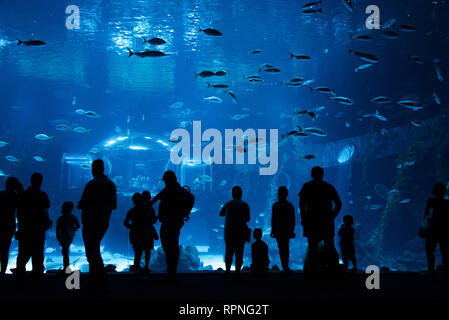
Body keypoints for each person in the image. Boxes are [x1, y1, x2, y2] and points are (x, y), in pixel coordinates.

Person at [77, 159, 117, 287]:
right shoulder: (111, 184)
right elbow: (114, 205)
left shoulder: (92, 184)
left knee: (91, 251)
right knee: (95, 249)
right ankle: (98, 277)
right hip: (104, 222)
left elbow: (81, 203)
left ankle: (96, 278)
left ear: (94, 169)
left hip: (90, 222)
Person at [299, 166, 342, 272]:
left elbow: (301, 204)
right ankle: (333, 269)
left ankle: (312, 270)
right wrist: (332, 216)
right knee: (330, 246)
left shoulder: (307, 186)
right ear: (322, 174)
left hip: (311, 222)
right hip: (326, 222)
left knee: (312, 247)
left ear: (312, 174)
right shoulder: (328, 187)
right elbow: (339, 203)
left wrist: (304, 218)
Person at [149, 171, 186, 280]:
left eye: (165, 180)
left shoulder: (171, 189)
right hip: (175, 221)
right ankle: (172, 271)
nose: (164, 182)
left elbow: (156, 199)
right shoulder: (178, 189)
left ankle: (171, 272)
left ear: (168, 179)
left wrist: (146, 206)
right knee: (172, 245)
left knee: (169, 246)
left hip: (170, 222)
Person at [16, 173, 51, 280]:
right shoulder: (42, 195)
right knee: (38, 253)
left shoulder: (24, 195)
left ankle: (20, 274)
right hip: (39, 229)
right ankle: (36, 274)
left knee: (23, 253)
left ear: (31, 180)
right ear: (41, 182)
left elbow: (20, 212)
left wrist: (19, 227)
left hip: (26, 227)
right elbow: (46, 207)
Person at [219, 186, 250, 276]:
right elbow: (248, 219)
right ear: (241, 194)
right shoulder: (245, 205)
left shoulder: (228, 204)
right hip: (241, 231)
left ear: (232, 194)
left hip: (229, 231)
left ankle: (228, 271)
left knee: (229, 251)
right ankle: (237, 272)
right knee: (239, 252)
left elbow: (221, 214)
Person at [124, 192, 157, 275]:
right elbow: (154, 221)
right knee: (147, 251)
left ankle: (137, 270)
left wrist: (132, 227)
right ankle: (146, 268)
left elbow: (125, 223)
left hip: (136, 234)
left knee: (137, 253)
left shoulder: (132, 211)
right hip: (147, 233)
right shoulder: (150, 209)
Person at [422, 183, 449, 274]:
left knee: (429, 250)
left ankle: (431, 270)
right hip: (444, 230)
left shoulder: (431, 201)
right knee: (445, 251)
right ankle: (446, 271)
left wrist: (424, 226)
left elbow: (426, 214)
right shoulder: (447, 202)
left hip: (433, 229)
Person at [0, 177, 23, 278]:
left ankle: (2, 272)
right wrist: (20, 189)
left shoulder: (1, 195)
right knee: (5, 250)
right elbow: (22, 210)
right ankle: (2, 272)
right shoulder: (16, 197)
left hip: (3, 224)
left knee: (4, 250)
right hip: (9, 225)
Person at [271, 186, 295, 274]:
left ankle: (284, 266)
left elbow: (273, 219)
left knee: (281, 248)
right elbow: (293, 220)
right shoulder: (290, 206)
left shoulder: (275, 205)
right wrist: (292, 231)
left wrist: (273, 230)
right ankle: (285, 267)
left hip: (279, 230)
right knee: (286, 248)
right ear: (287, 194)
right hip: (286, 230)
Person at [56, 201, 80, 271]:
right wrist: (73, 230)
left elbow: (57, 229)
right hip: (70, 235)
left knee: (65, 252)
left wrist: (58, 237)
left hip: (62, 236)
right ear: (72, 209)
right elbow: (78, 225)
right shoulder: (73, 217)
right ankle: (66, 268)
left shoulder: (60, 218)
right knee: (65, 252)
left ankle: (66, 268)